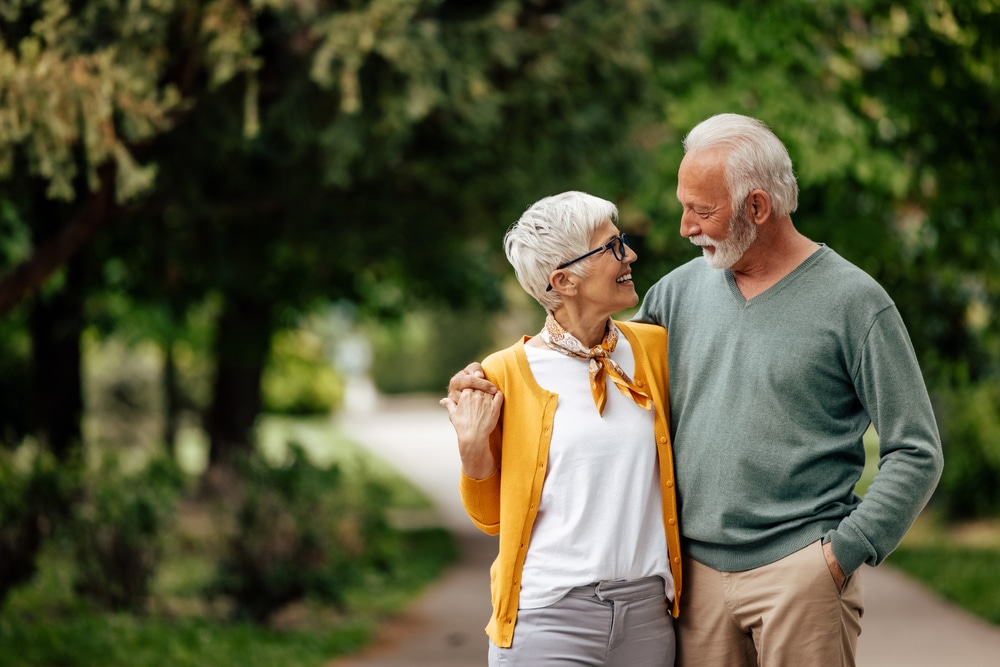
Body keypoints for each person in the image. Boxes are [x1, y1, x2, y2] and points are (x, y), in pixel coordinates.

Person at [450, 114, 944, 667]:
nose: (685, 227)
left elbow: (917, 449)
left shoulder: (854, 302)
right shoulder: (676, 294)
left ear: (757, 208)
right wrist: (488, 385)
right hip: (694, 585)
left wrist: (843, 553)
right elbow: (591, 362)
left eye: (701, 211)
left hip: (801, 573)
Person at [440, 191, 683, 667]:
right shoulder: (504, 373)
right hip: (548, 620)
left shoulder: (655, 351)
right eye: (613, 247)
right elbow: (491, 519)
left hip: (647, 619)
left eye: (624, 242)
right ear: (563, 280)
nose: (630, 255)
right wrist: (472, 448)